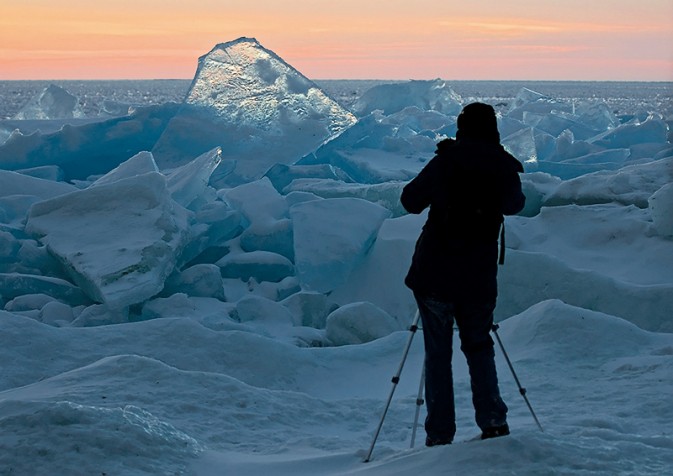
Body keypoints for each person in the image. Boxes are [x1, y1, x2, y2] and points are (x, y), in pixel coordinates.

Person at [400, 102, 525, 446]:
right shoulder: (502, 165)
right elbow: (515, 205)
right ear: (493, 129)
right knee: (479, 346)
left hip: (434, 274)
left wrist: (445, 173)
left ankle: (440, 434)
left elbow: (410, 200)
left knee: (438, 353)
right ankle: (493, 422)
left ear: (461, 127)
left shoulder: (447, 160)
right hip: (478, 277)